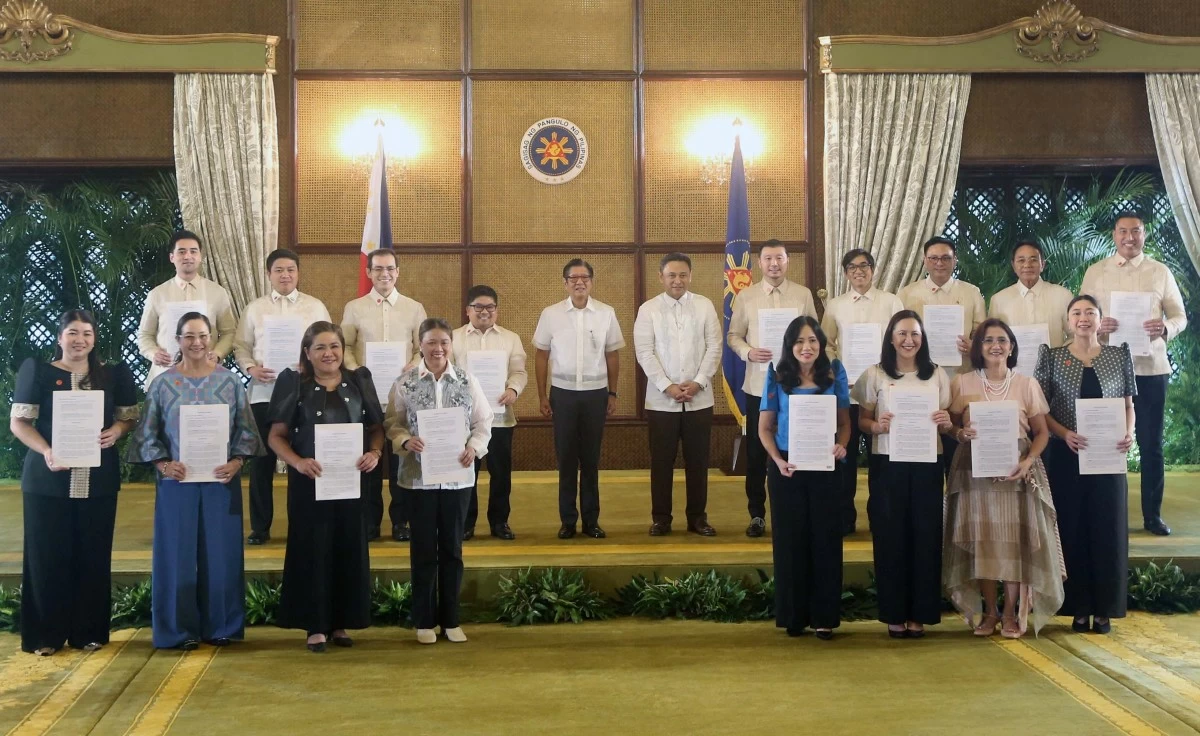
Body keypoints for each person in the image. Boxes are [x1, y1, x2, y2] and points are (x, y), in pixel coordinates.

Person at [127, 313, 262, 650]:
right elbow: (147, 434)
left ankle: (223, 626)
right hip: (177, 481)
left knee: (222, 554)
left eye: (203, 335)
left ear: (212, 338)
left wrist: (237, 461)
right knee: (176, 555)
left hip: (221, 480)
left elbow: (246, 431)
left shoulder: (230, 383)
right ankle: (177, 631)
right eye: (189, 336)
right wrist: (162, 463)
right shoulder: (162, 384)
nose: (197, 342)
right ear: (178, 339)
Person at [9, 310, 138, 656]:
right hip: (47, 480)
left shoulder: (112, 375)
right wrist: (47, 451)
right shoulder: (37, 372)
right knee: (45, 556)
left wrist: (117, 431)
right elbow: (19, 423)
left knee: (93, 555)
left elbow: (128, 418)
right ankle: (45, 636)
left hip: (98, 480)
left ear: (94, 339)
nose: (79, 339)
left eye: (86, 333)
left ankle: (88, 632)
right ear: (59, 336)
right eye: (72, 332)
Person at [943, 318, 1065, 639]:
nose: (995, 346)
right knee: (983, 541)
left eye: (1002, 340)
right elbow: (950, 426)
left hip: (1018, 472)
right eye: (987, 340)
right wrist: (959, 432)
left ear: (1011, 346)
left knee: (1012, 543)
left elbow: (1041, 433)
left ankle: (1011, 613)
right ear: (978, 348)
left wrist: (1027, 463)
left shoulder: (1027, 384)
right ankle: (989, 612)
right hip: (974, 472)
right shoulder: (962, 383)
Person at [266, 322, 383, 653]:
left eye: (334, 346)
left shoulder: (360, 380)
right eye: (320, 347)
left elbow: (376, 428)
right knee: (312, 549)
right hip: (309, 483)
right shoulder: (293, 384)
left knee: (348, 548)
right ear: (307, 353)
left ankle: (341, 623)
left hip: (351, 482)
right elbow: (276, 436)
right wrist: (298, 461)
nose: (328, 353)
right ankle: (315, 627)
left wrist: (375, 453)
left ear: (343, 350)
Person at [385, 318, 493, 644]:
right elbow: (392, 421)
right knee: (422, 550)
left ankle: (451, 619)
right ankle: (423, 620)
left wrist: (473, 448)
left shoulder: (466, 380)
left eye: (444, 342)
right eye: (431, 342)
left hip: (457, 480)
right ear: (420, 344)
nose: (438, 348)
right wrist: (405, 441)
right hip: (418, 481)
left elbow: (483, 421)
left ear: (451, 344)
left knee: (452, 549)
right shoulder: (405, 383)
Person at [1080, 212, 1187, 536]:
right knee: (1105, 441)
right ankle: (1104, 515)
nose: (1130, 237)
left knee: (1151, 443)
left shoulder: (1160, 272)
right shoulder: (1096, 272)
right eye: (1123, 231)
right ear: (1114, 235)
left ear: (1143, 234)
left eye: (1136, 231)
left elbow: (1180, 316)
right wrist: (1099, 325)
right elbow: (1079, 315)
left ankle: (1152, 516)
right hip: (1106, 366)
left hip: (1150, 368)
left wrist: (1165, 327)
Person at [1036, 296, 1136, 635]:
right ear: (1067, 321)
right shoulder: (1051, 357)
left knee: (1108, 527)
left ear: (1100, 319)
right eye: (1076, 313)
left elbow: (1128, 404)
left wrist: (1130, 432)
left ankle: (1105, 608)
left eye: (1090, 313)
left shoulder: (1118, 355)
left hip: (1109, 455)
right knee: (1072, 527)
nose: (1083, 318)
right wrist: (1064, 434)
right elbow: (1041, 412)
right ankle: (1078, 608)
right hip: (1066, 455)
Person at [852, 310, 953, 638]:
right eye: (902, 334)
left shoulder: (937, 374)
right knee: (890, 536)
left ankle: (920, 613)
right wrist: (876, 426)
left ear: (923, 339)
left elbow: (949, 416)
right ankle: (894, 612)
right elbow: (861, 421)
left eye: (915, 335)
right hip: (888, 464)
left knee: (926, 536)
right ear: (891, 338)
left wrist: (944, 420)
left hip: (927, 463)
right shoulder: (875, 374)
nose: (909, 340)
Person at [758, 317, 850, 639]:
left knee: (825, 539)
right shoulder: (776, 374)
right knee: (789, 541)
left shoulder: (834, 372)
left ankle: (824, 617)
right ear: (789, 345)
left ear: (821, 343)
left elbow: (845, 423)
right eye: (799, 341)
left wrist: (842, 445)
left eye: (812, 340)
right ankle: (793, 615)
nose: (806, 347)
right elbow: (764, 427)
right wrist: (778, 461)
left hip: (825, 467)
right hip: (788, 469)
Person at [233, 248, 331, 545]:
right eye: (278, 270)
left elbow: (327, 343)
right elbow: (240, 345)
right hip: (264, 392)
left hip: (305, 393)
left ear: (298, 273)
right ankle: (260, 527)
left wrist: (310, 365)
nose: (285, 275)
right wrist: (251, 367)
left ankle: (303, 524)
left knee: (302, 459)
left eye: (290, 269)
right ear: (268, 274)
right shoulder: (255, 308)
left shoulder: (315, 307)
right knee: (261, 462)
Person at [727, 239, 817, 537]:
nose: (774, 264)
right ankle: (756, 514)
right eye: (768, 259)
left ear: (787, 261)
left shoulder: (802, 295)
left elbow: (814, 336)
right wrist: (748, 353)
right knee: (756, 451)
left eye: (779, 258)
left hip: (797, 386)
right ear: (760, 263)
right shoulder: (746, 297)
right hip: (758, 385)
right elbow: (733, 336)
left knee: (795, 446)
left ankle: (792, 510)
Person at [533, 259, 625, 539]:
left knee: (591, 459)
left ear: (592, 282)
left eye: (584, 277)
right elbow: (541, 355)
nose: (579, 282)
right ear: (565, 283)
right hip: (562, 394)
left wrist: (612, 392)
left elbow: (612, 354)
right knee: (566, 460)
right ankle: (568, 521)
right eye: (573, 278)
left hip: (596, 395)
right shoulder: (551, 314)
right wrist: (542, 395)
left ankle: (591, 520)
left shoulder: (606, 313)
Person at [342, 247, 428, 543]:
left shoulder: (414, 308)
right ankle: (370, 522)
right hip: (367, 396)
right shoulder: (354, 308)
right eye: (377, 269)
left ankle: (401, 521)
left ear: (398, 272)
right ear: (368, 273)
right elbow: (345, 348)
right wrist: (359, 373)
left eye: (390, 268)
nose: (384, 274)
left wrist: (412, 366)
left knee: (402, 462)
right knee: (370, 464)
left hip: (403, 397)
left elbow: (423, 348)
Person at [633, 253, 721, 537]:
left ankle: (698, 518)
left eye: (683, 275)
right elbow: (644, 352)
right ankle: (661, 519)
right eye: (671, 275)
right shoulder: (648, 309)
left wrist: (698, 382)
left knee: (698, 461)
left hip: (699, 399)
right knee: (661, 462)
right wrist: (667, 386)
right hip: (661, 401)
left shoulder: (705, 306)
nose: (677, 280)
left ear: (690, 276)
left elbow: (714, 347)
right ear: (661, 277)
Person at [820, 248, 903, 535]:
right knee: (847, 455)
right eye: (853, 267)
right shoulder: (835, 305)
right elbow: (827, 344)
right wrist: (838, 369)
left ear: (873, 269)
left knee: (882, 455)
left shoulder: (891, 302)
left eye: (864, 266)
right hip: (850, 389)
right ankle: (846, 516)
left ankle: (882, 514)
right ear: (845, 273)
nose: (859, 271)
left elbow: (901, 339)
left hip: (883, 390)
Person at [898, 236, 985, 476]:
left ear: (954, 260)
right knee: (925, 449)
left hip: (961, 379)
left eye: (946, 258)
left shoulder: (971, 292)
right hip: (920, 381)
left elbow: (981, 334)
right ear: (925, 261)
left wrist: (974, 345)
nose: (940, 263)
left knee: (957, 451)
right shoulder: (907, 294)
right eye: (934, 258)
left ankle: (957, 508)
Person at [452, 285, 528, 541]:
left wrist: (513, 390)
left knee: (501, 475)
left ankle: (499, 522)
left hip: (500, 419)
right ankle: (465, 523)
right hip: (465, 422)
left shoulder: (510, 338)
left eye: (490, 307)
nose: (484, 312)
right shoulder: (453, 338)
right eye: (478, 307)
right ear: (468, 310)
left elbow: (519, 371)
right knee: (466, 473)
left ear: (496, 310)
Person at [136, 230, 237, 389]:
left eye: (193, 251)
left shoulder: (217, 292)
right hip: (166, 376)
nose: (187, 256)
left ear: (200, 257)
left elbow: (229, 332)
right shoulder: (157, 294)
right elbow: (144, 335)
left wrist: (217, 354)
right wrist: (153, 353)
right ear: (172, 257)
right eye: (181, 252)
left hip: (207, 376)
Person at [987, 239, 1074, 350]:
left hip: (1054, 366)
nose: (1027, 265)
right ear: (1013, 266)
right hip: (1013, 367)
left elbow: (1075, 335)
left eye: (1033, 260)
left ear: (1042, 264)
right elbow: (992, 339)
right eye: (1021, 260)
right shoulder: (999, 300)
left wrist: (1061, 356)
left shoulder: (1062, 295)